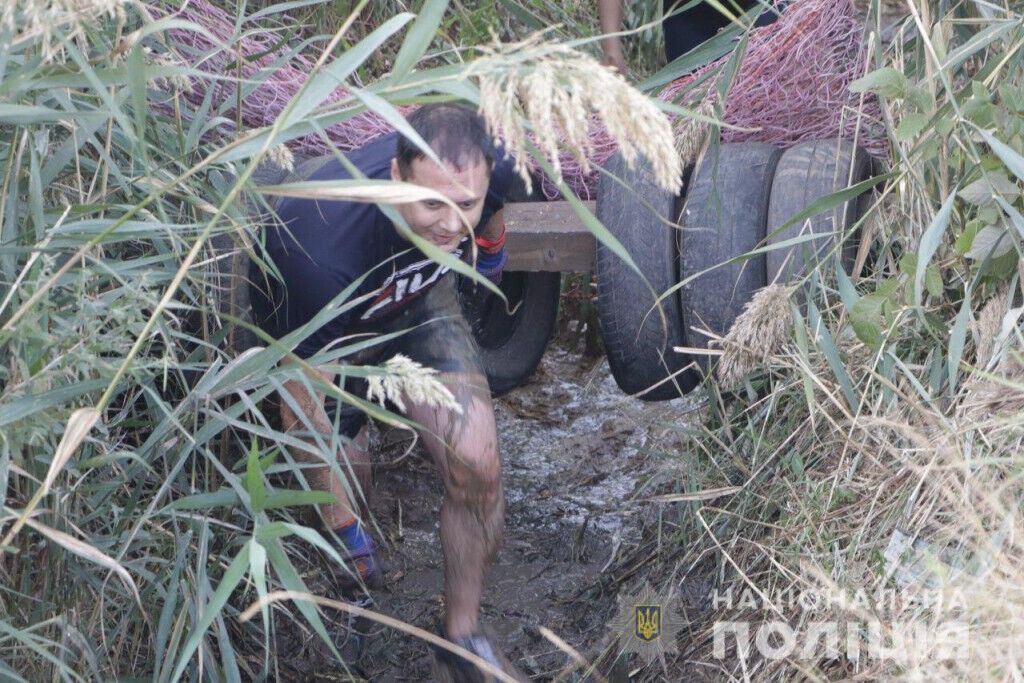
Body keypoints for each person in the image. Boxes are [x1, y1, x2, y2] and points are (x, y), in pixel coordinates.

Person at [249, 103, 523, 680]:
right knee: (344, 469)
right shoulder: (319, 250)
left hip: (417, 306)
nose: (451, 225)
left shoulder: (495, 173)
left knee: (478, 466)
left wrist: (487, 271)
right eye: (431, 204)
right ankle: (355, 592)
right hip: (333, 322)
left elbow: (493, 217)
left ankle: (463, 638)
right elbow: (302, 417)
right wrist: (345, 529)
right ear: (396, 178)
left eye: (464, 205)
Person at [599, 0, 782, 74]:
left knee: (766, 87)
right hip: (687, 17)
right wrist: (611, 48)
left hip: (761, 6)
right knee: (699, 118)